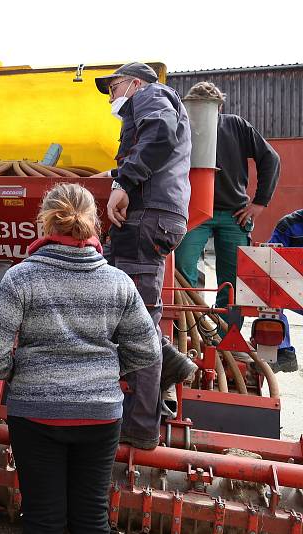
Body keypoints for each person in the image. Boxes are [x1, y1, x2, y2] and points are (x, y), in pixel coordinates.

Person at [0, 183, 161, 534]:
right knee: (91, 520)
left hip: (36, 413)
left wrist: (16, 373)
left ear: (46, 224)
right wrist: (105, 371)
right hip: (100, 415)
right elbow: (148, 349)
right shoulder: (118, 282)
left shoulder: (21, 278)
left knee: (43, 520)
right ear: (95, 224)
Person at [93, 62, 198, 450]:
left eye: (114, 87)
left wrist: (125, 181)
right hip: (147, 215)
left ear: (134, 83)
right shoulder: (146, 104)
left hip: (147, 216)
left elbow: (160, 134)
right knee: (120, 307)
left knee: (137, 321)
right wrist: (117, 173)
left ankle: (139, 428)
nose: (111, 96)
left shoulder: (151, 95)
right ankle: (169, 361)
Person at [175, 81, 281, 328]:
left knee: (232, 283)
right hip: (193, 211)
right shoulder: (182, 127)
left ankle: (226, 337)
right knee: (181, 272)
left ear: (218, 108)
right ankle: (193, 330)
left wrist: (260, 203)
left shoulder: (236, 125)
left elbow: (270, 158)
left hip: (234, 214)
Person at [268, 209, 303, 372]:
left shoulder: (288, 224)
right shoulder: (288, 225)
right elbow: (268, 260)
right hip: (296, 292)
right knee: (268, 289)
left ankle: (283, 352)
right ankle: (283, 352)